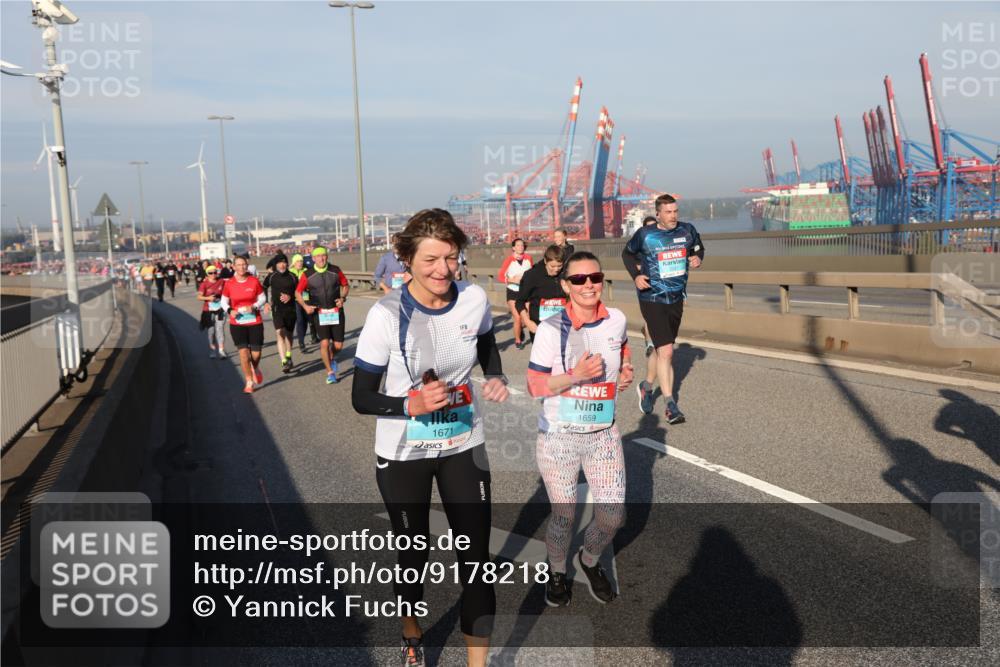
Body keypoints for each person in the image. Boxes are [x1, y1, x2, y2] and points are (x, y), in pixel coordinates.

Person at [352, 208, 509, 667]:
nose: (444, 270)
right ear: (406, 261)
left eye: (452, 258)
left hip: (462, 443)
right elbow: (362, 397)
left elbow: (484, 342)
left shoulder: (474, 298)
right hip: (403, 453)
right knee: (413, 553)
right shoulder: (386, 314)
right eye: (431, 261)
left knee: (477, 561)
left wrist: (495, 375)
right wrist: (409, 405)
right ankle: (411, 631)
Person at [526, 251, 633, 605]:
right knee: (564, 514)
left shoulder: (616, 319)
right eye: (578, 279)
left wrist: (627, 368)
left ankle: (587, 560)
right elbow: (535, 386)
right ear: (565, 286)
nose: (589, 285)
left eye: (595, 277)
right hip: (559, 437)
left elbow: (623, 346)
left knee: (613, 516)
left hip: (603, 433)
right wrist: (577, 376)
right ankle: (557, 571)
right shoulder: (550, 329)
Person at [622, 194, 704, 423]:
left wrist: (697, 258)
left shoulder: (687, 231)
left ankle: (646, 386)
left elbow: (698, 249)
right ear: (658, 214)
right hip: (652, 297)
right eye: (668, 212)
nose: (673, 216)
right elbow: (627, 254)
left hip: (676, 298)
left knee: (661, 349)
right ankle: (671, 405)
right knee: (667, 351)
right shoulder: (646, 235)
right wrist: (636, 275)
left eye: (675, 211)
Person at [295, 246, 349, 384]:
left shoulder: (335, 270)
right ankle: (330, 372)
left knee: (338, 346)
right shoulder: (307, 274)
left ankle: (331, 357)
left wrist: (342, 298)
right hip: (319, 313)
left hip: (336, 312)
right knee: (324, 343)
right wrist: (305, 306)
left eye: (323, 255)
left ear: (327, 256)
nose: (321, 258)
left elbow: (345, 285)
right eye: (318, 256)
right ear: (313, 259)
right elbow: (297, 292)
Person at [220, 255, 266, 394]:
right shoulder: (229, 283)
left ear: (247, 265)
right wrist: (230, 310)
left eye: (244, 264)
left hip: (254, 321)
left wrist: (255, 306)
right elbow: (223, 301)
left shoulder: (254, 281)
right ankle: (249, 381)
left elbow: (263, 298)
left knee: (256, 354)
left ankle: (255, 367)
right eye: (238, 265)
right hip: (237, 322)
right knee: (244, 353)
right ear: (233, 267)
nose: (241, 267)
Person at [515, 244, 565, 340]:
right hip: (539, 326)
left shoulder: (565, 273)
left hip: (562, 324)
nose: (556, 269)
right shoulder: (532, 275)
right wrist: (528, 322)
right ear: (546, 261)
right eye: (553, 266)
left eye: (560, 266)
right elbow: (519, 302)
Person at [262, 252, 298, 373]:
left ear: (287, 264)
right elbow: (263, 288)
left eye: (284, 262)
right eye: (279, 263)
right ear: (275, 265)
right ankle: (284, 362)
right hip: (277, 310)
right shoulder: (271, 276)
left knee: (288, 334)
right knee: (279, 332)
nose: (282, 265)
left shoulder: (293, 276)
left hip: (291, 309)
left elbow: (300, 292)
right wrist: (266, 303)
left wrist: (290, 297)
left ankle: (288, 355)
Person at [497, 238, 532, 349]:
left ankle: (520, 329)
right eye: (518, 245)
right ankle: (518, 341)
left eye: (522, 245)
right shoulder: (509, 260)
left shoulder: (529, 258)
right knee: (517, 317)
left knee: (526, 317)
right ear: (513, 248)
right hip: (513, 291)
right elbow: (501, 277)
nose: (520, 247)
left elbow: (533, 273)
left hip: (526, 291)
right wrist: (512, 280)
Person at [197, 264, 227, 358]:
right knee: (211, 331)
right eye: (211, 273)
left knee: (220, 329)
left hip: (220, 310)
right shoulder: (204, 284)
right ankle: (213, 350)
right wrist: (208, 298)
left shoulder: (222, 281)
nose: (213, 274)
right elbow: (199, 297)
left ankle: (221, 351)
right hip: (208, 310)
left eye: (215, 272)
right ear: (207, 274)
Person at [288, 253, 316, 353]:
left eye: (301, 261)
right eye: (297, 261)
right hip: (296, 300)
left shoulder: (306, 271)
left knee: (309, 320)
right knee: (300, 321)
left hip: (307, 299)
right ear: (294, 263)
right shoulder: (290, 272)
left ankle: (313, 335)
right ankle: (301, 343)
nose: (300, 263)